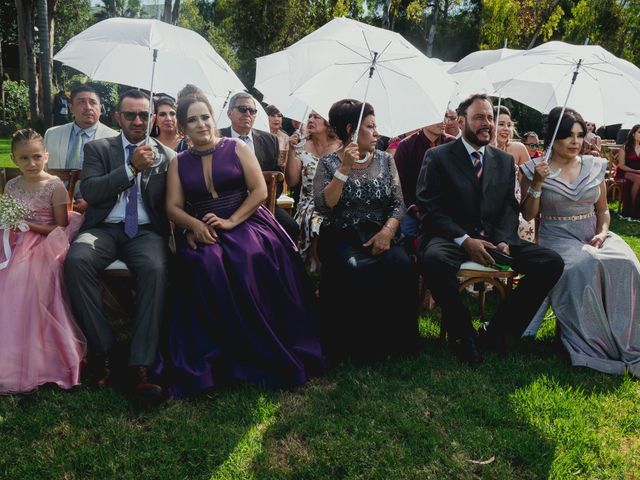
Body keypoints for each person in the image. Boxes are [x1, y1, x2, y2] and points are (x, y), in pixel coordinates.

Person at [156, 92, 324, 397]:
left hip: (247, 221)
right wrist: (194, 225)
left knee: (248, 257)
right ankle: (216, 353)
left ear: (213, 118)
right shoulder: (178, 162)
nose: (201, 124)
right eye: (192, 119)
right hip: (203, 227)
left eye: (205, 116)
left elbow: (259, 191)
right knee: (202, 262)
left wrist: (232, 221)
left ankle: (257, 347)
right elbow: (173, 207)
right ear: (183, 126)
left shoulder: (236, 148)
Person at [416, 94, 564, 366]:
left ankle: (498, 332)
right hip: (451, 238)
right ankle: (463, 334)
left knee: (550, 262)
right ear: (461, 122)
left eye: (490, 118)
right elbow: (429, 207)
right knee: (433, 259)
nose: (488, 124)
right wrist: (464, 241)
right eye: (479, 117)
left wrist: (505, 240)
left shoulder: (504, 161)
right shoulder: (437, 157)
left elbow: (509, 207)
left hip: (495, 241)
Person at [64, 89, 174, 400]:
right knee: (76, 260)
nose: (138, 121)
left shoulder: (166, 155)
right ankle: (104, 353)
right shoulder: (99, 148)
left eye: (143, 115)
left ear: (152, 118)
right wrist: (130, 169)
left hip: (145, 232)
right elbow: (93, 191)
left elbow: (175, 200)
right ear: (117, 117)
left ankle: (140, 364)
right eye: (130, 115)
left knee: (155, 267)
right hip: (103, 228)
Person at [520, 107, 640, 377]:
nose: (576, 142)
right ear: (553, 138)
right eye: (568, 136)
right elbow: (528, 214)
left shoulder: (594, 165)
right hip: (556, 237)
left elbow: (603, 210)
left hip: (593, 233)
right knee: (585, 264)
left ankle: (628, 339)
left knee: (627, 262)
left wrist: (603, 231)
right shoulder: (533, 168)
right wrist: (538, 182)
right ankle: (594, 345)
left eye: (579, 135)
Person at [313, 99, 419, 364]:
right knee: (351, 268)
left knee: (400, 262)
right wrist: (345, 169)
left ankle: (394, 343)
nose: (377, 132)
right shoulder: (327, 164)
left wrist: (386, 233)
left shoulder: (385, 160)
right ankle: (353, 344)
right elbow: (325, 206)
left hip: (380, 232)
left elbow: (398, 204)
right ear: (351, 129)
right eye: (371, 126)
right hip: (341, 235)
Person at [0, 129, 85, 394]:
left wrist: (29, 225)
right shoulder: (11, 186)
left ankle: (42, 357)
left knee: (26, 278)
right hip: (13, 240)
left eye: (36, 156)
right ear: (14, 160)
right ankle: (10, 354)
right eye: (24, 158)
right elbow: (8, 217)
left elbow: (60, 228)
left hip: (45, 244)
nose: (31, 163)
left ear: (46, 156)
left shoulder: (55, 186)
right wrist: (11, 225)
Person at [219, 92, 299, 240]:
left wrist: (263, 200)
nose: (247, 113)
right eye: (242, 109)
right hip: (227, 205)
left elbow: (278, 179)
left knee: (291, 227)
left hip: (263, 203)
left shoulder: (270, 140)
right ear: (230, 113)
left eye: (252, 111)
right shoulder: (217, 138)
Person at [44, 85, 119, 213]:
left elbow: (116, 179)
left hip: (96, 209)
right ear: (71, 108)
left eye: (93, 102)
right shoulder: (52, 134)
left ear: (100, 108)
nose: (88, 107)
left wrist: (92, 201)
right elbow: (43, 170)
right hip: (53, 206)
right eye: (81, 102)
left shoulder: (114, 138)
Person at [285, 111, 341, 272]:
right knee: (317, 222)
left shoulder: (342, 147)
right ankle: (316, 273)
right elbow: (292, 180)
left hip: (335, 204)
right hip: (308, 204)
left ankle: (324, 274)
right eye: (309, 116)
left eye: (316, 117)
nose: (310, 120)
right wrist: (291, 149)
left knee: (325, 222)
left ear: (328, 123)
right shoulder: (301, 146)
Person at [393, 119, 455, 252]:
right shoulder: (406, 146)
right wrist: (415, 210)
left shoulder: (453, 143)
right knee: (406, 237)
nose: (444, 121)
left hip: (447, 211)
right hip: (414, 209)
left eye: (445, 115)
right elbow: (399, 186)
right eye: (437, 116)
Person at [495, 106, 536, 242]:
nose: (506, 128)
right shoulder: (481, 150)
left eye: (509, 125)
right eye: (501, 124)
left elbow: (528, 182)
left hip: (515, 207)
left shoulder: (519, 148)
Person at [614, 124, 640, 218]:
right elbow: (621, 166)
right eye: (639, 132)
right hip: (624, 172)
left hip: (637, 172)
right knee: (638, 179)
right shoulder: (625, 147)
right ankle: (633, 208)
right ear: (633, 134)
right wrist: (636, 171)